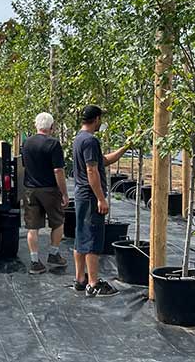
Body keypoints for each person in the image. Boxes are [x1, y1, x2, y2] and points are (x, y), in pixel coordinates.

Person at [72, 105, 132, 297]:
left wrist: (125, 147)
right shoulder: (90, 140)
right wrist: (101, 198)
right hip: (90, 197)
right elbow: (92, 170)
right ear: (96, 119)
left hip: (81, 195)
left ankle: (80, 279)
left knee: (81, 235)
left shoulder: (79, 139)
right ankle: (92, 283)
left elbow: (103, 161)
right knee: (92, 239)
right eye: (101, 120)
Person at [21, 112, 69, 274]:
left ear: (36, 125)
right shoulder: (53, 144)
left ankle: (35, 262)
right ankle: (53, 254)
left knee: (32, 227)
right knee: (58, 222)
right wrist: (64, 193)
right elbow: (58, 170)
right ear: (52, 127)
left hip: (30, 190)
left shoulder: (26, 143)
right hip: (49, 189)